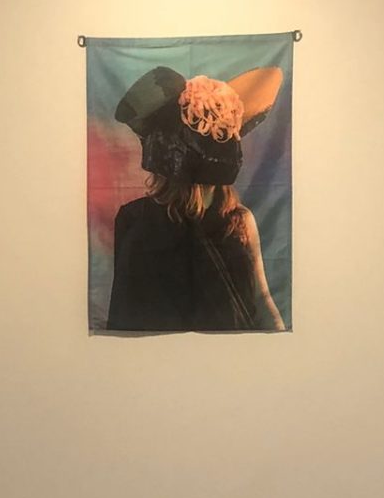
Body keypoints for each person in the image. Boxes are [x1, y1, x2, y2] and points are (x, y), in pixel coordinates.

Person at [106, 64, 286, 332]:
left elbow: (261, 300)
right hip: (158, 353)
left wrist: (281, 346)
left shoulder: (239, 220)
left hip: (231, 353)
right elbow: (125, 308)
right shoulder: (135, 220)